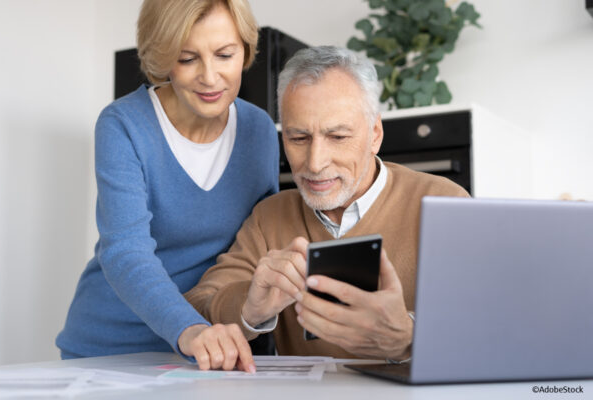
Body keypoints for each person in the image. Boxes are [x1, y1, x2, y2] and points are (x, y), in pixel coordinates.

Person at [182, 46, 469, 362]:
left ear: (374, 134)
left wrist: (410, 336)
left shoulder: (446, 205)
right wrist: (250, 307)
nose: (315, 164)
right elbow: (196, 306)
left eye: (338, 137)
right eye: (299, 138)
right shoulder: (270, 217)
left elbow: (492, 326)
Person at [56, 0, 279, 373]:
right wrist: (189, 328)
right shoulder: (123, 124)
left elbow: (259, 245)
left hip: (212, 349)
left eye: (225, 55)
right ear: (162, 58)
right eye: (187, 58)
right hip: (114, 348)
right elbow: (126, 250)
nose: (210, 77)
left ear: (245, 50)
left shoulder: (259, 131)